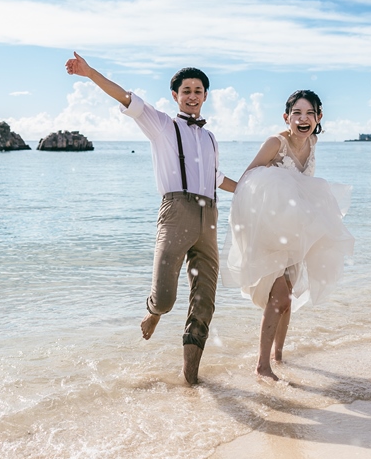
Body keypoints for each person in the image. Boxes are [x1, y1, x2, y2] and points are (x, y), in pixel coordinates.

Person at [65, 52, 237, 384]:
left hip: (209, 217)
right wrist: (89, 73)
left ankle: (191, 378)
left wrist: (251, 189)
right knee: (166, 297)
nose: (192, 96)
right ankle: (154, 311)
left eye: (198, 91)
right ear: (175, 95)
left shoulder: (210, 137)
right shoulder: (162, 125)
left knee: (205, 301)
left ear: (205, 96)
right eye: (186, 90)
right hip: (176, 212)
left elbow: (217, 179)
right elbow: (125, 97)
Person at [222, 90, 354, 380]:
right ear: (287, 117)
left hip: (294, 231)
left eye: (309, 114)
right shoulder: (275, 143)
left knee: (288, 297)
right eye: (297, 113)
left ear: (319, 118)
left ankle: (278, 356)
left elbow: (304, 187)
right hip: (267, 230)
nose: (303, 119)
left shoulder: (312, 142)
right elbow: (248, 182)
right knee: (278, 298)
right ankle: (262, 365)